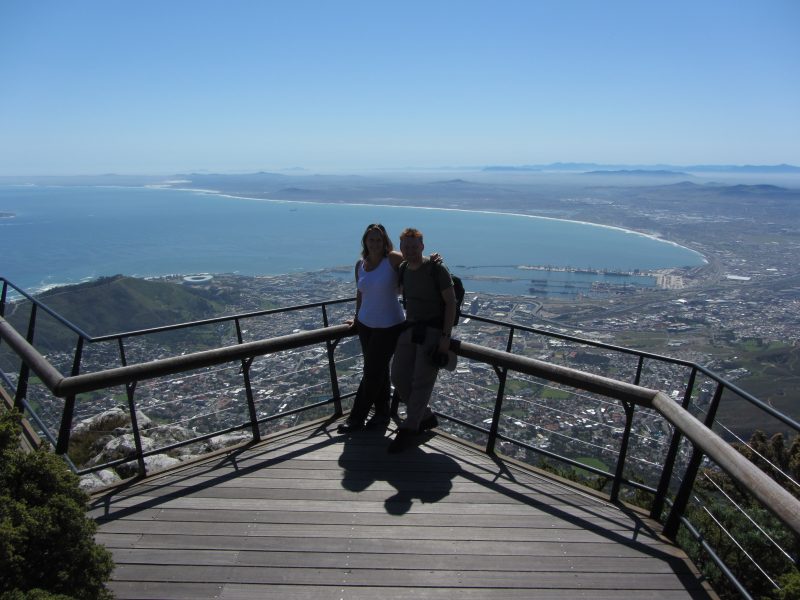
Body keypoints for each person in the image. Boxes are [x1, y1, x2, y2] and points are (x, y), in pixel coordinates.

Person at [388, 227, 457, 453]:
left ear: (423, 247)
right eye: (406, 247)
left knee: (421, 381)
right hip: (411, 329)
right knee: (398, 375)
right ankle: (424, 416)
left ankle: (410, 428)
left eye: (414, 246)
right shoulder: (404, 268)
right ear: (401, 249)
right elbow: (383, 255)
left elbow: (451, 303)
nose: (410, 250)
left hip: (434, 331)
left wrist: (445, 337)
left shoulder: (436, 268)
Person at [337, 224, 406, 433]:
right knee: (379, 371)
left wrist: (434, 260)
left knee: (371, 371)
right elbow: (361, 293)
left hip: (389, 326)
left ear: (385, 241)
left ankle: (356, 418)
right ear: (365, 242)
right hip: (366, 325)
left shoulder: (393, 259)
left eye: (378, 240)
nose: (375, 243)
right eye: (371, 240)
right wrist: (357, 319)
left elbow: (416, 264)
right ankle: (382, 413)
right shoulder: (361, 264)